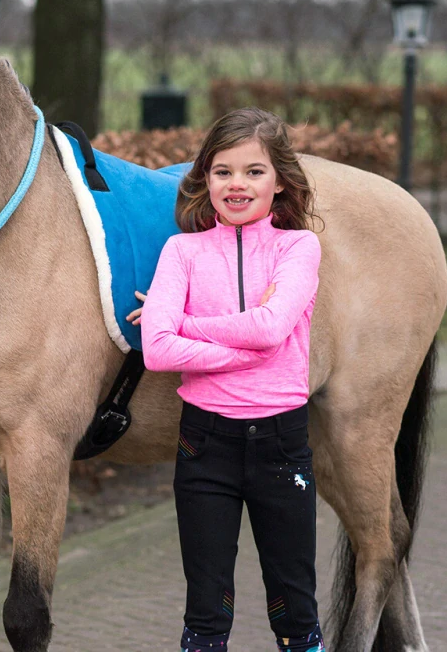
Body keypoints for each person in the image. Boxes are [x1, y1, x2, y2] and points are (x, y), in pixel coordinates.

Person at [130, 107, 325, 652]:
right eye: (222, 172)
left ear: (280, 179)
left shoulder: (298, 248)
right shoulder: (182, 251)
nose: (237, 184)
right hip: (205, 444)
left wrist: (185, 322)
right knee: (206, 611)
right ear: (205, 180)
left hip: (282, 446)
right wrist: (244, 349)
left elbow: (268, 327)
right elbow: (158, 348)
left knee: (294, 607)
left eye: (254, 171)